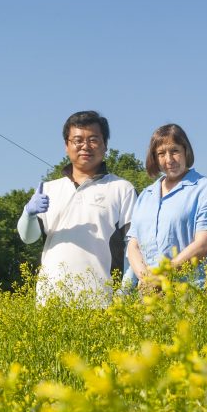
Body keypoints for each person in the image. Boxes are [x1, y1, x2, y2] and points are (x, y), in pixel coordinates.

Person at [17, 110, 137, 305]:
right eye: (77, 140)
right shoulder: (48, 189)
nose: (85, 146)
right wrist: (28, 213)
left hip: (101, 301)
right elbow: (28, 238)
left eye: (93, 139)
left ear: (105, 145)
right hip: (51, 301)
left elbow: (134, 245)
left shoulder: (122, 188)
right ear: (66, 146)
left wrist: (124, 292)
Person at [125, 124, 207, 293]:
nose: (169, 159)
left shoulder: (205, 188)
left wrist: (162, 275)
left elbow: (204, 244)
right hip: (149, 293)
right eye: (161, 153)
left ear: (185, 151)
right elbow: (133, 245)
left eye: (174, 151)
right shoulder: (146, 195)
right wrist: (146, 277)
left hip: (194, 291)